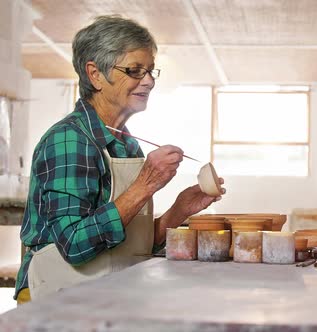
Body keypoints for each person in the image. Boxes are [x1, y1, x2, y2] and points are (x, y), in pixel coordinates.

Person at [14, 15, 225, 303]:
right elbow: (74, 245)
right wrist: (145, 185)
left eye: (150, 71)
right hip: (57, 297)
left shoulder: (127, 144)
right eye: (135, 70)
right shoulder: (69, 140)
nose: (149, 81)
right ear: (95, 74)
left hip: (108, 293)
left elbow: (128, 245)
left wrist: (179, 211)